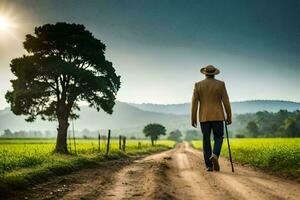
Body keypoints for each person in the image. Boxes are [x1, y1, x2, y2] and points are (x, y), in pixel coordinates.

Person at [191, 65, 232, 171]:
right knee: (218, 137)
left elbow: (194, 103)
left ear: (205, 73)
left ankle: (209, 166)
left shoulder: (198, 85)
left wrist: (193, 117)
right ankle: (215, 155)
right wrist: (229, 116)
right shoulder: (221, 84)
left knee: (206, 140)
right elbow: (226, 102)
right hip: (218, 116)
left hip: (204, 117)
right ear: (214, 73)